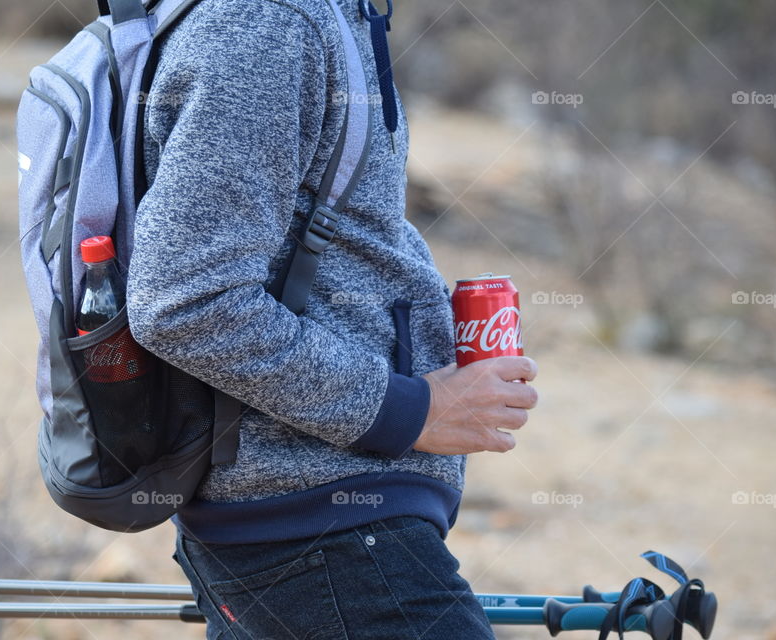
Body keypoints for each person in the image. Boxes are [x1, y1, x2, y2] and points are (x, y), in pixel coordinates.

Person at [127, 0, 539, 637]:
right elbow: (184, 300)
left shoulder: (330, 17)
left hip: (323, 530)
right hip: (319, 533)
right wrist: (410, 410)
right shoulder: (268, 21)